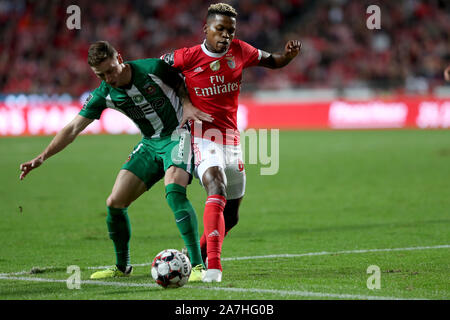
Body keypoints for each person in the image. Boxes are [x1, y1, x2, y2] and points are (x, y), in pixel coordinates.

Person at [19, 41, 213, 281]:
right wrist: (42, 157)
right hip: (150, 143)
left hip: (178, 135)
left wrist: (186, 104)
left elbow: (181, 82)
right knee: (115, 202)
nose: (108, 78)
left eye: (111, 70)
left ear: (119, 58)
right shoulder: (104, 93)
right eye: (101, 74)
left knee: (174, 191)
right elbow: (72, 129)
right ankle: (122, 267)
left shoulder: (153, 68)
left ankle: (197, 265)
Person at [161, 3, 301, 282]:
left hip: (231, 139)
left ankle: (190, 258)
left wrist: (287, 56)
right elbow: (155, 69)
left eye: (230, 30)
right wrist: (185, 103)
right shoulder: (186, 57)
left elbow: (272, 61)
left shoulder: (241, 50)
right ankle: (212, 267)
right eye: (220, 29)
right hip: (202, 137)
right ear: (206, 29)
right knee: (216, 184)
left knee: (233, 215)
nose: (225, 35)